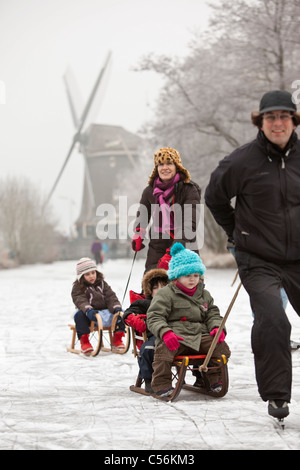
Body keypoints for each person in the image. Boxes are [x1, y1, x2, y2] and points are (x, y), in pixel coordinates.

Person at [205, 90, 300, 420]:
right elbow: (214, 197)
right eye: (270, 117)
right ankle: (277, 395)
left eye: (284, 116)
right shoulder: (241, 161)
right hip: (258, 257)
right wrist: (236, 232)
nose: (277, 123)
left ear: (293, 120)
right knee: (273, 318)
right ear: (260, 123)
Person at [147, 242, 231, 397]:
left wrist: (217, 328)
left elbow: (213, 313)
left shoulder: (204, 295)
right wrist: (165, 333)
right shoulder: (166, 294)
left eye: (196, 275)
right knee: (163, 350)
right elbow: (155, 316)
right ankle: (162, 383)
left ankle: (213, 379)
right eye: (187, 275)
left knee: (220, 348)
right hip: (176, 336)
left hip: (200, 336)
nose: (193, 279)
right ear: (176, 276)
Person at [131, 147, 201, 272]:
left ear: (177, 166)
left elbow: (190, 223)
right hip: (157, 245)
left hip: (184, 245)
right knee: (153, 285)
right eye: (161, 164)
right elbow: (143, 214)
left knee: (186, 285)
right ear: (156, 168)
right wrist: (139, 233)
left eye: (169, 163)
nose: (165, 168)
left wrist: (175, 248)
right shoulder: (149, 191)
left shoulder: (189, 189)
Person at [123, 268, 169, 392]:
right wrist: (134, 319)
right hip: (152, 336)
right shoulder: (143, 303)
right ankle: (149, 380)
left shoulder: (173, 302)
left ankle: (202, 377)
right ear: (149, 290)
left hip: (173, 334)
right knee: (149, 349)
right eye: (155, 287)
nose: (160, 290)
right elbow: (127, 313)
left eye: (164, 286)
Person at [71, 257, 125, 354]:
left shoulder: (102, 284)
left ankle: (117, 338)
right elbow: (80, 300)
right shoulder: (78, 287)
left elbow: (110, 296)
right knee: (79, 316)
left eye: (93, 273)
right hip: (89, 314)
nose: (91, 276)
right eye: (87, 274)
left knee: (121, 313)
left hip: (104, 312)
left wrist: (116, 307)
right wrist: (88, 310)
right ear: (81, 276)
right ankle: (84, 341)